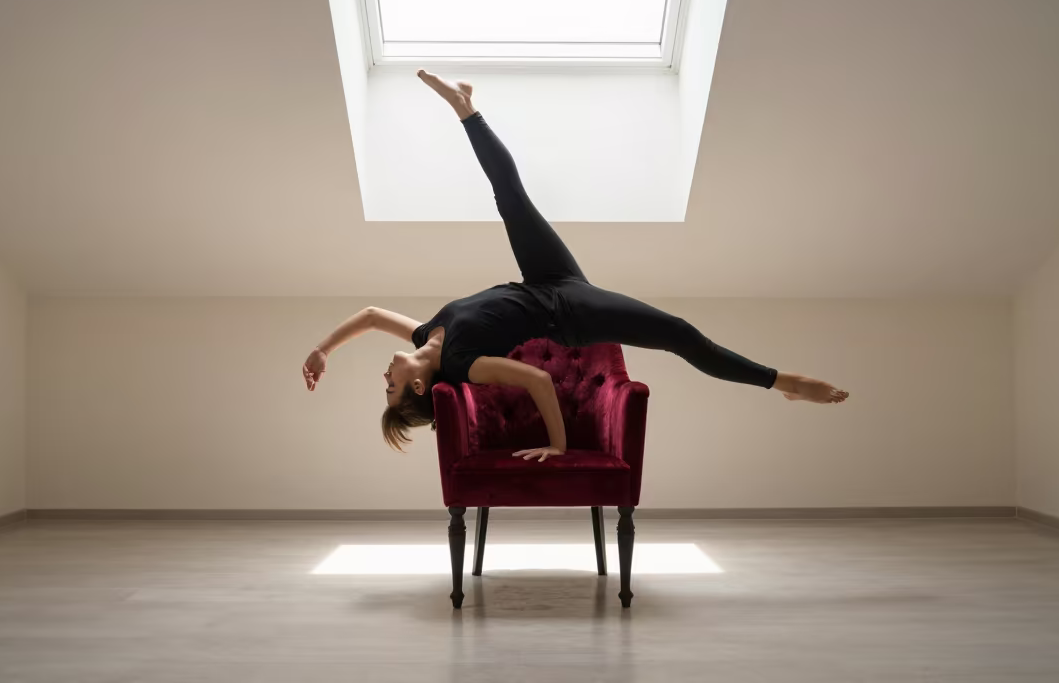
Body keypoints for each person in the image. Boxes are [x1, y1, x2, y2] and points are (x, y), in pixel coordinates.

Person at [303, 71, 848, 461]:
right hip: (569, 312)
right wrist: (558, 446)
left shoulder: (426, 333)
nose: (386, 378)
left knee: (510, 197)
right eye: (391, 389)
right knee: (679, 334)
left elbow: (372, 315)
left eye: (386, 385)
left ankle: (466, 108)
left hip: (547, 277)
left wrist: (323, 349)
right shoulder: (465, 363)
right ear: (420, 388)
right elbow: (539, 379)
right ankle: (782, 382)